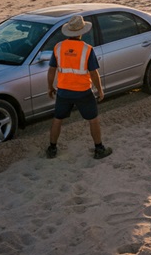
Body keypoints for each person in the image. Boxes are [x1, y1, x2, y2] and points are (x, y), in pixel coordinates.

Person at [46, 15, 112, 160]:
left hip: (63, 91)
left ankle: (52, 148)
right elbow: (94, 73)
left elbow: (51, 70)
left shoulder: (58, 47)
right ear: (82, 31)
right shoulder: (87, 49)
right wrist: (100, 90)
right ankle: (99, 149)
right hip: (83, 92)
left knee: (57, 119)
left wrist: (50, 87)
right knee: (93, 120)